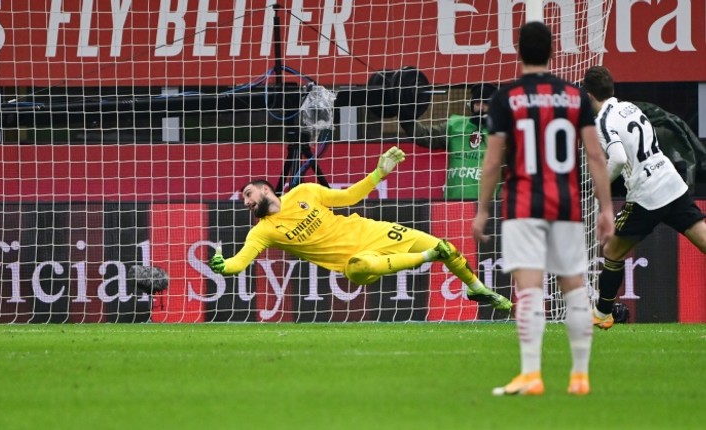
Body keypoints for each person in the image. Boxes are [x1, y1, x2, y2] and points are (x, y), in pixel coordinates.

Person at [471, 22, 615, 396]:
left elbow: (491, 161)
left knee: (530, 289)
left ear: (518, 51)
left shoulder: (507, 97)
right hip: (565, 204)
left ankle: (532, 375)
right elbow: (595, 155)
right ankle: (580, 378)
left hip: (523, 204)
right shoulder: (574, 96)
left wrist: (482, 208)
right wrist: (606, 208)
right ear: (553, 52)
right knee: (574, 287)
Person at [209, 146, 512, 311]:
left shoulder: (305, 192)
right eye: (243, 199)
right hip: (351, 264)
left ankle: (477, 289)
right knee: (363, 264)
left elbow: (349, 197)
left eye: (248, 194)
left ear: (265, 190)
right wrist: (224, 266)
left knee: (449, 248)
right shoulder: (263, 231)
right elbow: (239, 262)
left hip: (370, 231)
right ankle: (430, 256)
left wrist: (379, 172)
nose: (246, 201)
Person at [581, 65, 706, 330]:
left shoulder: (602, 121)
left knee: (612, 250)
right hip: (671, 182)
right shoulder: (631, 108)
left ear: (589, 95)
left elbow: (617, 158)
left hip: (647, 194)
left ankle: (602, 313)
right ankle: (602, 313)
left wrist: (600, 182)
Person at [399, 83, 499, 200]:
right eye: (477, 103)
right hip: (452, 204)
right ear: (471, 105)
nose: (481, 108)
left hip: (489, 207)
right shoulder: (454, 126)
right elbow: (424, 136)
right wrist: (405, 113)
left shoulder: (501, 134)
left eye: (485, 103)